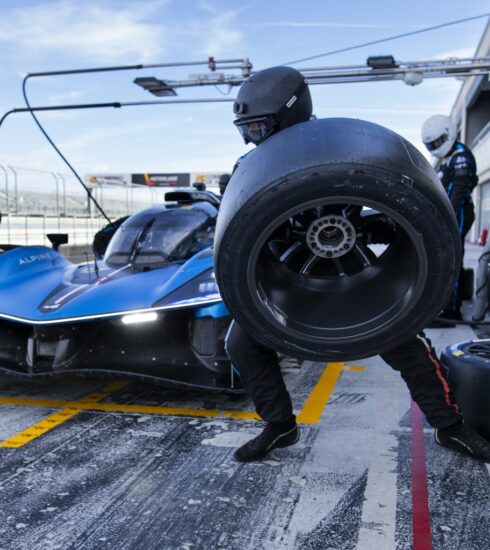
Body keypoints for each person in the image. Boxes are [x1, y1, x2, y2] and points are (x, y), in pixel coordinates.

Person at [223, 66, 490, 463]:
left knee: (407, 344)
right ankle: (279, 426)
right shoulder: (251, 166)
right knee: (240, 343)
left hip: (359, 277)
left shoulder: (335, 149)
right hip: (296, 278)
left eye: (259, 128)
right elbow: (242, 233)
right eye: (247, 130)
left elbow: (393, 213)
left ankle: (451, 428)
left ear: (290, 114)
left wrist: (375, 229)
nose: (252, 138)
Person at [422, 115, 478, 322]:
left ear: (447, 135)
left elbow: (460, 191)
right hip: (454, 212)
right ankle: (453, 303)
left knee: (452, 258)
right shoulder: (451, 157)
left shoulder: (461, 156)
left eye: (437, 142)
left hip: (459, 212)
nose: (435, 146)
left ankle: (452, 311)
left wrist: (447, 217)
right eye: (432, 144)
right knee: (453, 257)